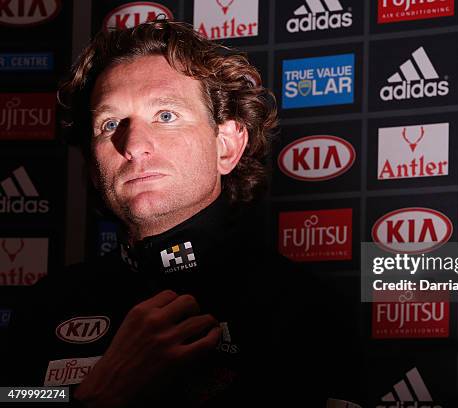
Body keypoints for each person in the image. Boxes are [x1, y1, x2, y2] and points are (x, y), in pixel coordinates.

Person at [3, 19, 363, 408]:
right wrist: (92, 399)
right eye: (109, 124)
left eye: (166, 116)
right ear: (92, 164)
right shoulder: (45, 305)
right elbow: (17, 397)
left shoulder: (305, 310)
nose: (134, 145)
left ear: (226, 146)